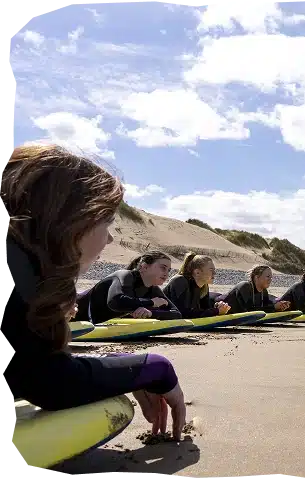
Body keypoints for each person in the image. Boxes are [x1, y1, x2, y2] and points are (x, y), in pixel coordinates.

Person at [2, 144, 186, 440]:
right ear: (73, 221)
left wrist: (115, 361)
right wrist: (154, 366)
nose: (110, 237)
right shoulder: (12, 265)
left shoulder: (15, 259)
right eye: (107, 222)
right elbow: (49, 383)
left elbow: (15, 371)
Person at [74, 251, 183, 324]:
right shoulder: (124, 275)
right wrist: (150, 303)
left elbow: (176, 314)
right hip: (69, 314)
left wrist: (151, 313)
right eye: (163, 268)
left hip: (91, 322)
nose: (166, 274)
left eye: (168, 270)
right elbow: (115, 302)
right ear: (144, 267)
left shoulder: (152, 289)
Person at [162, 252, 231, 318]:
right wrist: (216, 311)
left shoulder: (204, 286)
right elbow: (182, 313)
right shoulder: (180, 281)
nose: (214, 273)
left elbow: (204, 309)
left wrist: (218, 307)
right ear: (197, 272)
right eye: (211, 270)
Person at [216, 265, 291, 314]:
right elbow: (247, 310)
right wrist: (273, 307)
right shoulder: (245, 286)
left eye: (271, 277)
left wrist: (279, 307)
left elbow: (265, 309)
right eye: (268, 276)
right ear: (256, 277)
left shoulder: (263, 291)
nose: (270, 279)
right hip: (215, 303)